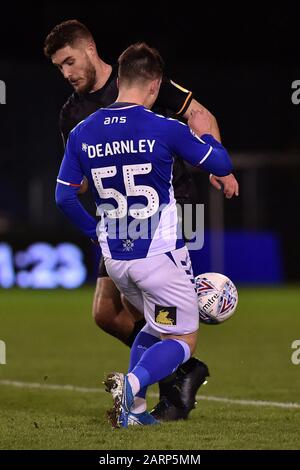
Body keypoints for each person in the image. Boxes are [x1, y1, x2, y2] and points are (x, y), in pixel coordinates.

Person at [44, 19, 236, 421]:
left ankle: (136, 408)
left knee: (144, 320)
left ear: (91, 48)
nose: (66, 73)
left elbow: (66, 193)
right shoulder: (156, 123)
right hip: (156, 237)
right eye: (58, 67)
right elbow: (211, 147)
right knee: (178, 332)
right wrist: (213, 155)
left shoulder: (83, 127)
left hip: (118, 237)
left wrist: (95, 227)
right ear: (151, 88)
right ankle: (144, 379)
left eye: (68, 62)